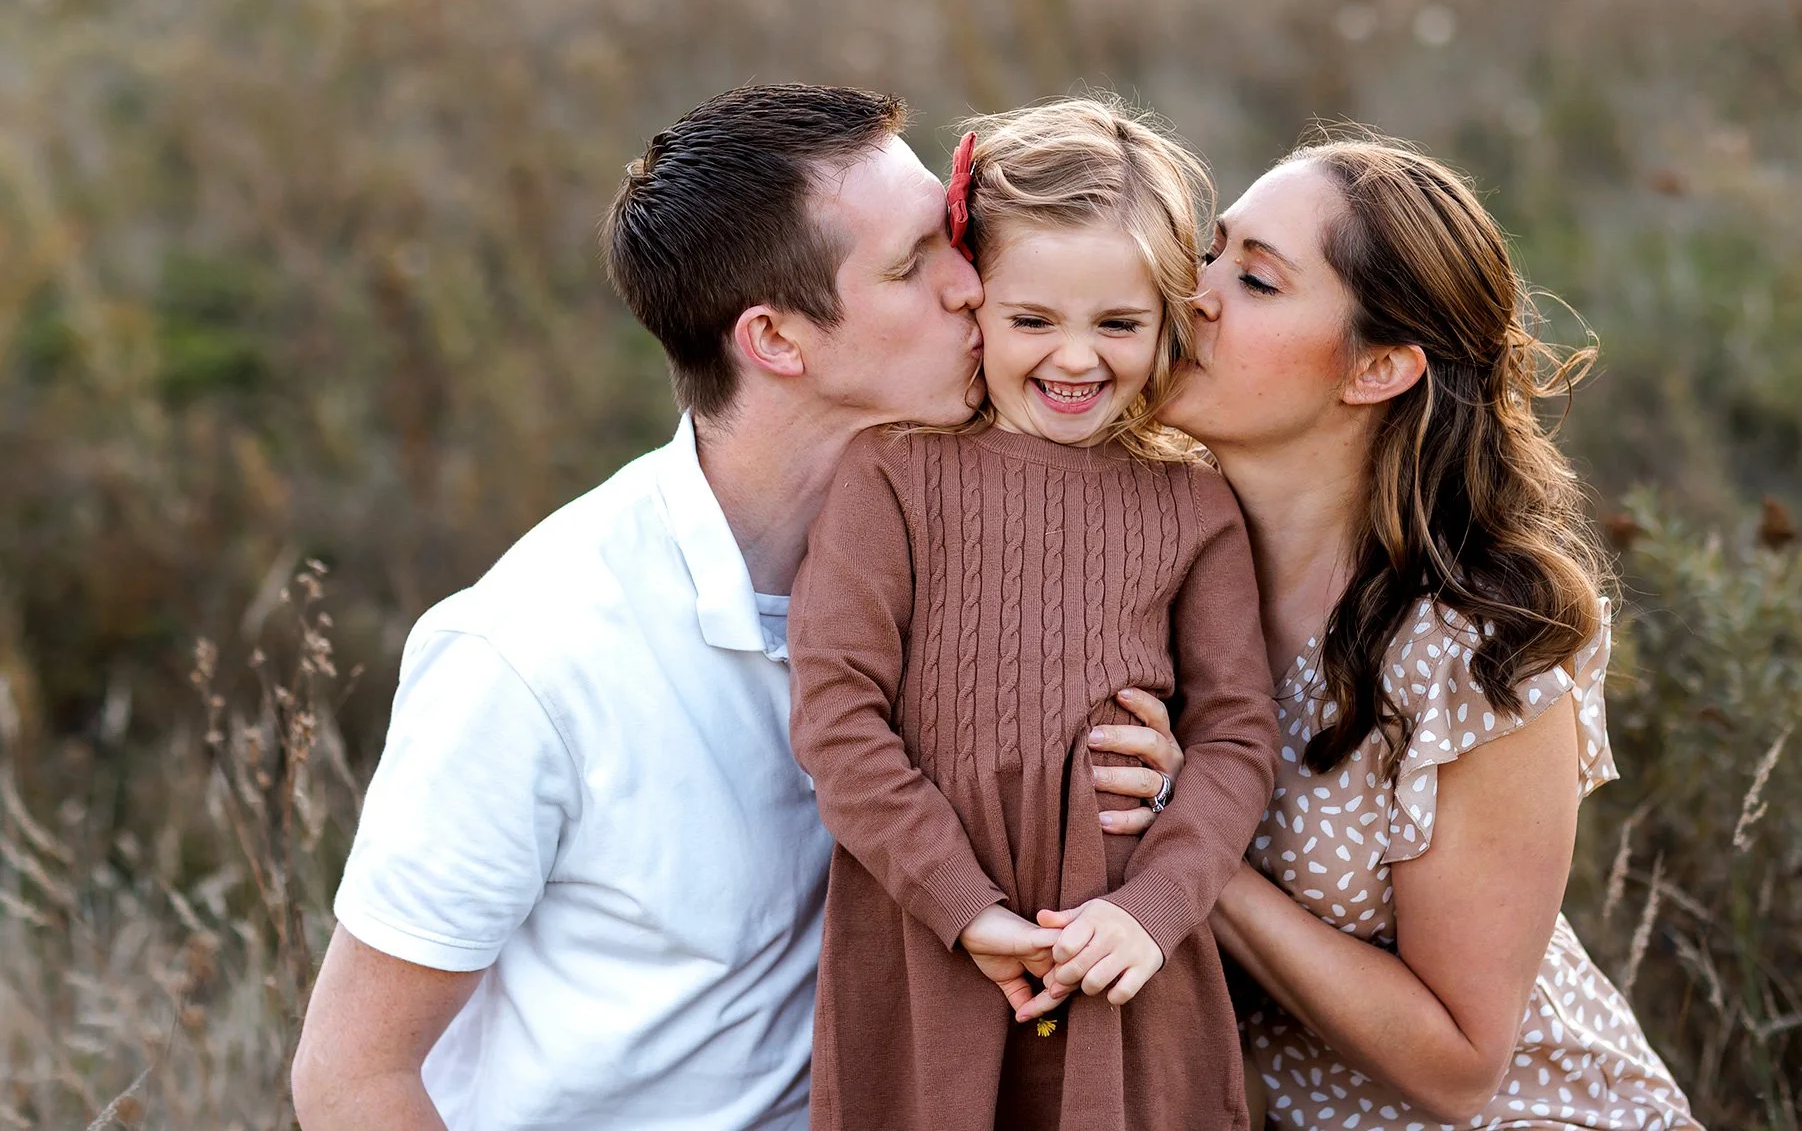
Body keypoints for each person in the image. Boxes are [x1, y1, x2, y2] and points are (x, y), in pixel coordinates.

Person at [289, 85, 1173, 1131]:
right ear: (776, 339)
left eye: (955, 237)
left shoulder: (985, 552)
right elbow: (352, 1081)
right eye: (912, 264)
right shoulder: (532, 654)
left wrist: (1141, 783)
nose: (971, 284)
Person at [1093, 134, 1701, 1129]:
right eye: (1212, 250)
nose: (1193, 292)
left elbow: (1460, 1064)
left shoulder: (1474, 650)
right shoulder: (1142, 556)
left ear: (1375, 368)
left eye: (1254, 279)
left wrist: (1187, 846)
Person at [787, 97, 1281, 1131]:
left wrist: (1152, 910)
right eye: (1032, 321)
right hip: (931, 938)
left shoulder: (1193, 501)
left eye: (1117, 323)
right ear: (975, 306)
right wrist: (958, 903)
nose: (1074, 358)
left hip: (1119, 948)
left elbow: (1235, 734)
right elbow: (837, 713)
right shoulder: (894, 474)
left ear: (1167, 320)